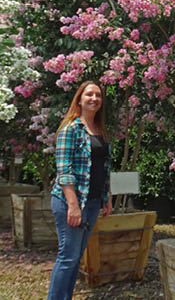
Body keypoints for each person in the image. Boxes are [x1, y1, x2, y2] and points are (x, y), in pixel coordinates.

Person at [47, 80, 112, 300]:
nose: (94, 99)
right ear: (79, 99)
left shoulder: (100, 130)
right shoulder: (71, 129)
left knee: (75, 257)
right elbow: (64, 170)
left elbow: (103, 167)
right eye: (89, 95)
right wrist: (73, 206)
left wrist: (107, 196)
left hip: (93, 202)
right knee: (67, 257)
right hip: (71, 202)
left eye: (98, 95)